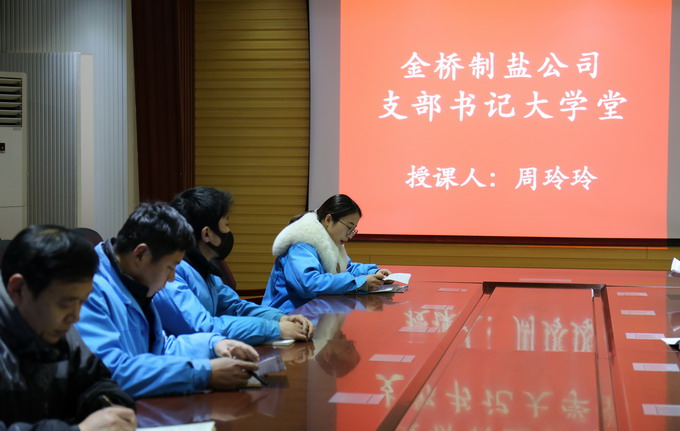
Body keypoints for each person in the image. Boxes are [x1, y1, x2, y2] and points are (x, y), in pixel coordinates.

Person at [75, 203, 260, 399]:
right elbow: (111, 372)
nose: (171, 279)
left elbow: (160, 348)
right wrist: (203, 373)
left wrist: (214, 344)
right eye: (170, 267)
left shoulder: (134, 282)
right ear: (140, 254)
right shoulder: (87, 291)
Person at [0, 225, 136, 431]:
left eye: (81, 302)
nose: (75, 317)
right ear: (18, 289)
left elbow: (96, 382)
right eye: (65, 303)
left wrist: (108, 405)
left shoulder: (61, 333)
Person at [153, 186, 314, 344]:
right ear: (207, 233)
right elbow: (204, 327)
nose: (228, 231)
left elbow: (235, 306)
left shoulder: (203, 268)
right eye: (226, 224)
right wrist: (274, 329)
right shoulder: (171, 274)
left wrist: (280, 318)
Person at [262, 194, 391, 313]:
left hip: (313, 313)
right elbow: (310, 284)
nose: (350, 235)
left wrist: (375, 272)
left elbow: (346, 268)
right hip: (287, 317)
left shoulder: (329, 241)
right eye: (349, 227)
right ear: (329, 219)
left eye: (353, 230)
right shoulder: (300, 246)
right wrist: (359, 283)